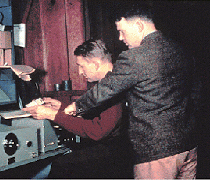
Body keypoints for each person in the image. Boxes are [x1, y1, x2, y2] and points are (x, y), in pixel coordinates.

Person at [64, 2, 200, 179]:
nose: (120, 38)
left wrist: (74, 108)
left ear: (139, 26)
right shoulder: (182, 51)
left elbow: (106, 89)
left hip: (156, 153)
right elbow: (196, 96)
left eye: (122, 31)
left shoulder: (135, 57)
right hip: (188, 147)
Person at [22, 39, 133, 178]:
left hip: (117, 154)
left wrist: (53, 115)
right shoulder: (110, 82)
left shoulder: (112, 88)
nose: (80, 72)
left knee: (60, 165)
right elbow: (98, 115)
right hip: (115, 148)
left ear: (96, 64)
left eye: (81, 66)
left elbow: (97, 131)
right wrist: (61, 108)